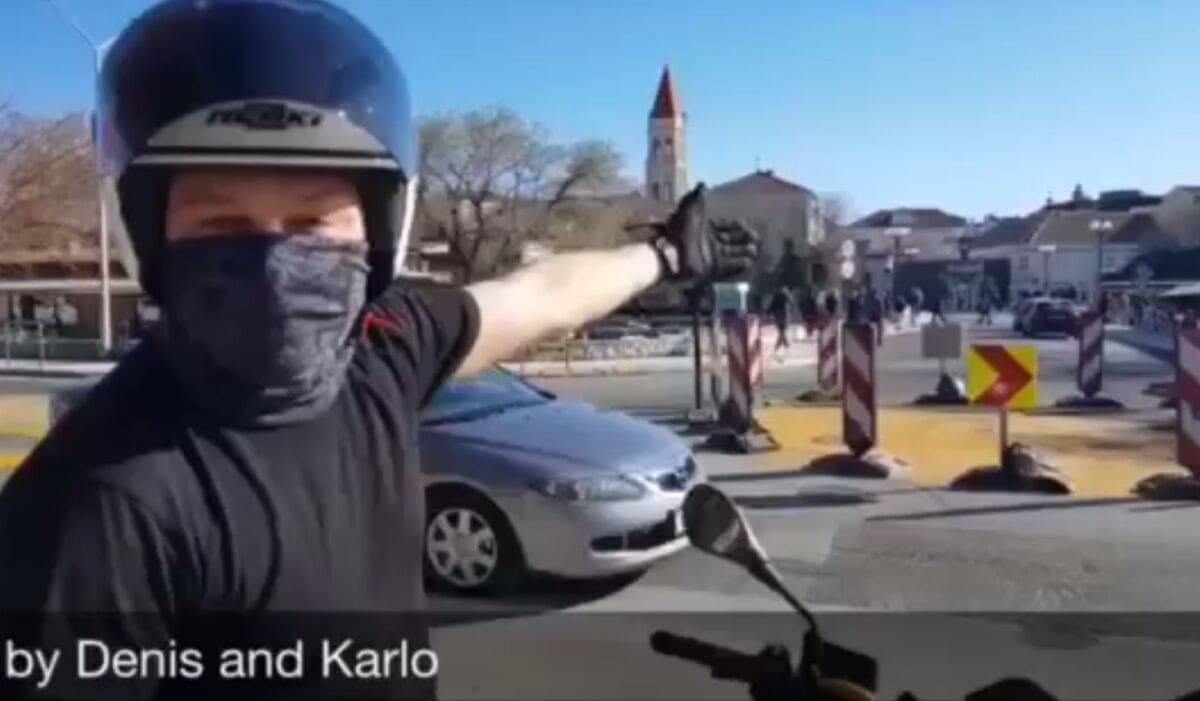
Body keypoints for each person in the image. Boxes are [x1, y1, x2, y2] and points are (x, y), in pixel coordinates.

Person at [0, 1, 756, 699]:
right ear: (145, 234)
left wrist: (662, 255)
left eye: (312, 220)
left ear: (378, 229)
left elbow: (539, 294)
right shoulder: (95, 508)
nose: (272, 262)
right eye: (221, 222)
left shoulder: (383, 349)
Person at [767, 286, 794, 353]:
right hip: (784, 315)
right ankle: (780, 347)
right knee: (782, 332)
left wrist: (768, 313)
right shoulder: (785, 296)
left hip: (778, 316)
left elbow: (771, 306)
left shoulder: (776, 296)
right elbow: (791, 303)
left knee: (781, 332)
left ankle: (783, 347)